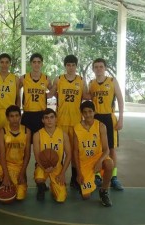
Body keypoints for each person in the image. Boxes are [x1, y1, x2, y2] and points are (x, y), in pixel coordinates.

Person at [49, 54, 88, 189]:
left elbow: (86, 96)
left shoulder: (81, 80)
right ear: (65, 66)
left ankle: (74, 177)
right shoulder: (59, 79)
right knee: (60, 151)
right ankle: (58, 176)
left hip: (76, 121)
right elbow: (51, 93)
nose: (71, 67)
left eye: (73, 65)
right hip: (61, 121)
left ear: (76, 66)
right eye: (68, 65)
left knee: (74, 151)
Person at [88, 58, 124, 191]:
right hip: (95, 118)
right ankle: (97, 175)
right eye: (96, 67)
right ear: (93, 69)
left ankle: (113, 177)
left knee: (111, 148)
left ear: (105, 68)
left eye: (101, 66)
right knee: (96, 148)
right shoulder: (91, 83)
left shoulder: (112, 81)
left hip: (109, 117)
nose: (98, 69)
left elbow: (120, 100)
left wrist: (121, 118)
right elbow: (87, 98)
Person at [74, 101, 114, 207]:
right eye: (85, 112)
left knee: (110, 164)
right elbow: (75, 152)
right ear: (82, 113)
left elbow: (106, 150)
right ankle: (89, 182)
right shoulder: (76, 128)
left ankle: (104, 191)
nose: (88, 114)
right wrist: (78, 173)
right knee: (86, 197)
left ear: (94, 112)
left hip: (98, 157)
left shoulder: (101, 126)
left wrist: (100, 161)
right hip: (85, 161)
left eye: (90, 111)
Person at [0, 105, 31, 201]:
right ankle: (3, 183)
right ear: (7, 118)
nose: (15, 119)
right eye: (11, 116)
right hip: (4, 164)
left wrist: (22, 173)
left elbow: (27, 155)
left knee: (20, 197)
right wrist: (6, 177)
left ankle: (16, 183)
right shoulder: (2, 131)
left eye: (17, 116)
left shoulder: (27, 131)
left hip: (18, 166)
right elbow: (2, 155)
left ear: (20, 116)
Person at [33, 108, 71, 202]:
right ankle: (41, 187)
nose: (49, 120)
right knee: (39, 176)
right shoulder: (37, 135)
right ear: (42, 120)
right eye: (46, 118)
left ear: (56, 119)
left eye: (51, 117)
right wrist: (43, 167)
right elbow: (37, 155)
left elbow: (69, 154)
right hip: (42, 166)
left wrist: (62, 173)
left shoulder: (63, 134)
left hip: (57, 167)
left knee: (60, 198)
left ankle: (54, 186)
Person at [20, 53, 52, 137]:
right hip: (27, 113)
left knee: (40, 141)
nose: (36, 64)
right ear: (31, 63)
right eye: (34, 62)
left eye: (39, 62)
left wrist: (46, 96)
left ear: (42, 63)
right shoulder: (23, 78)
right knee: (26, 141)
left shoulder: (46, 78)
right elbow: (15, 91)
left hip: (41, 114)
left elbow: (53, 91)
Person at [0, 53, 20, 128]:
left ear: (10, 64)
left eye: (7, 62)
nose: (4, 65)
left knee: (8, 137)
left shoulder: (15, 79)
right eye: (2, 62)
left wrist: (17, 113)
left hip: (9, 112)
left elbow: (18, 96)